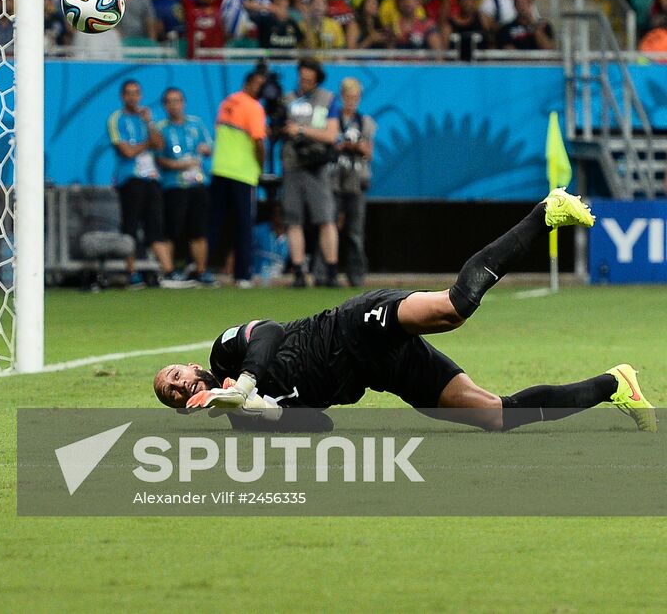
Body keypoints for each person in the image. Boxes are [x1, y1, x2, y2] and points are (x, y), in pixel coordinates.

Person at [152, 192, 658, 437]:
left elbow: (270, 332)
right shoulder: (242, 422)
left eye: (174, 375)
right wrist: (256, 410)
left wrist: (242, 383)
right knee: (496, 416)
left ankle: (544, 212)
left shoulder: (224, 352)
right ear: (183, 407)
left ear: (192, 367)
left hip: (351, 327)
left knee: (454, 308)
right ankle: (617, 384)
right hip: (379, 371)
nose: (177, 385)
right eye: (170, 394)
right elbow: (320, 426)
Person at [280, 58, 341, 288]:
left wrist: (301, 130)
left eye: (309, 80)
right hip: (293, 163)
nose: (304, 83)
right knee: (293, 219)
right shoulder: (287, 100)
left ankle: (332, 271)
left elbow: (331, 135)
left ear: (317, 80)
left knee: (326, 218)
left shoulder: (328, 99)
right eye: (301, 78)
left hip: (317, 165)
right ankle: (298, 272)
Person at [107, 80, 174, 288]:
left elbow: (160, 144)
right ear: (122, 96)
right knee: (131, 226)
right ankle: (132, 272)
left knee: (156, 226)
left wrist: (149, 123)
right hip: (130, 180)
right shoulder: (117, 119)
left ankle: (168, 273)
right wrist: (146, 144)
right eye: (129, 93)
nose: (133, 97)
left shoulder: (146, 119)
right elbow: (126, 151)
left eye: (136, 93)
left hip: (151, 178)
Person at [208, 69, 267, 289]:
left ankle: (204, 269)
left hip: (220, 169)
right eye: (259, 84)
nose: (262, 89)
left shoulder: (227, 102)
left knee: (214, 223)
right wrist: (260, 166)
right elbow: (259, 143)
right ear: (250, 83)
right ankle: (243, 275)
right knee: (244, 225)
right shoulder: (254, 107)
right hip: (242, 173)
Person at [155, 87, 214, 287]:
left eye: (178, 100)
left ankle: (201, 271)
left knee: (199, 230)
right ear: (164, 105)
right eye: (170, 101)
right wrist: (177, 165)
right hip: (174, 185)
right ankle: (169, 273)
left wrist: (206, 150)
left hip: (197, 183)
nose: (174, 105)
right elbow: (158, 158)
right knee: (172, 230)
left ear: (184, 103)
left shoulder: (196, 124)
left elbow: (208, 147)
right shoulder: (161, 128)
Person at [332, 77, 375, 287]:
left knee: (355, 232)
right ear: (342, 97)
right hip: (334, 181)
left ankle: (356, 276)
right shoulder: (334, 119)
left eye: (355, 97)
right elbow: (330, 144)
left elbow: (369, 151)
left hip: (357, 182)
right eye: (348, 97)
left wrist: (355, 146)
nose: (351, 101)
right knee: (330, 227)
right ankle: (326, 274)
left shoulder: (364, 121)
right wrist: (343, 146)